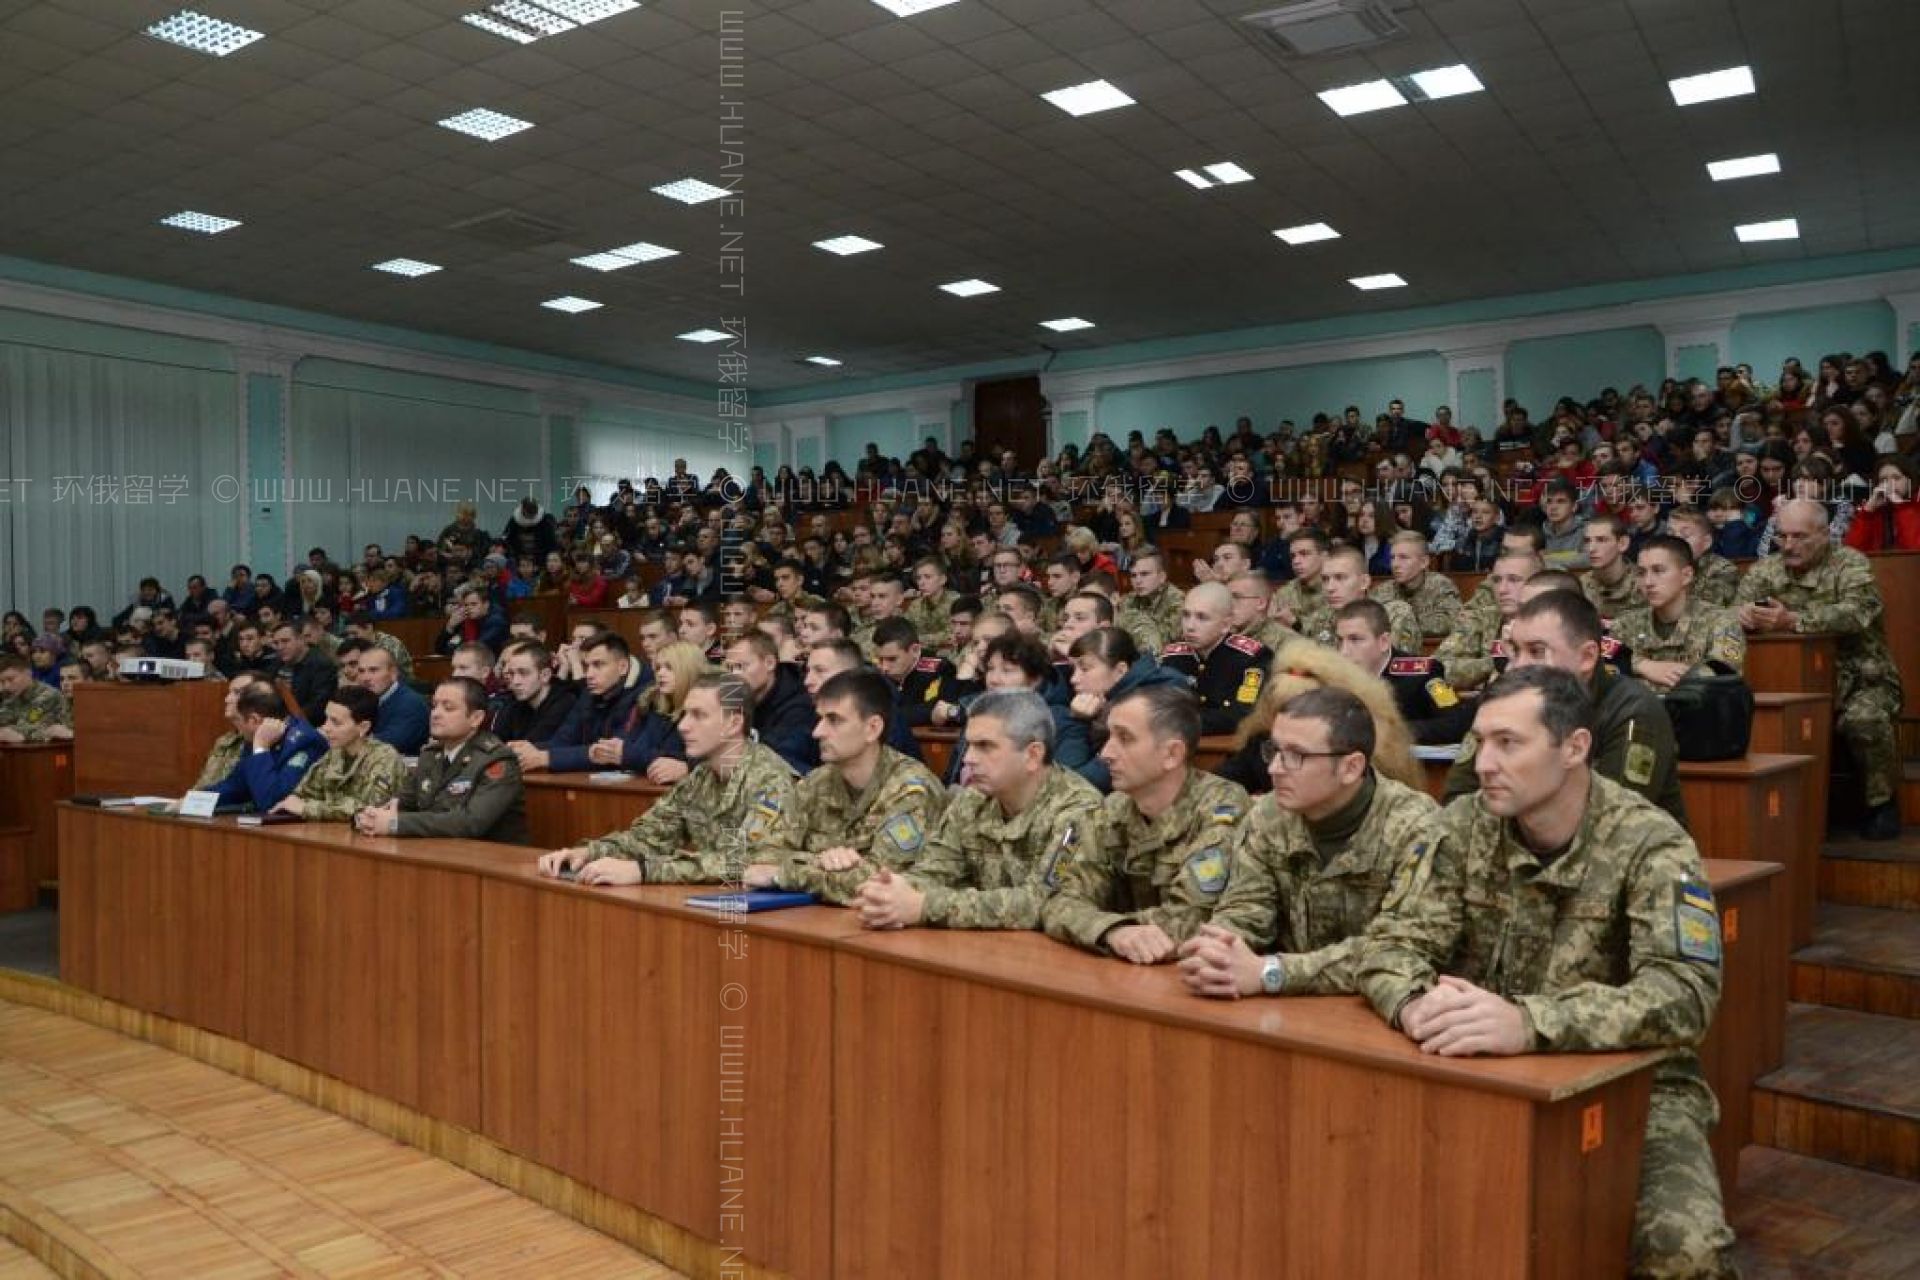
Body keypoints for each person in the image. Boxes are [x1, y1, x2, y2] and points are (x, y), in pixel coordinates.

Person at [1354, 665, 1733, 1279]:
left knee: (1685, 1252)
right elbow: (1389, 945)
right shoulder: (1461, 825)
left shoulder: (1649, 843)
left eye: (1509, 743)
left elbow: (1686, 995)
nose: (1483, 763)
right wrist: (1413, 1003)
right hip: (1478, 1065)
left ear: (1575, 747)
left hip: (1633, 1083)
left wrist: (1532, 1021)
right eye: (1481, 741)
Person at [1177, 686, 1440, 998]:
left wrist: (1273, 973)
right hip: (1289, 1013)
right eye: (1273, 751)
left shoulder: (1417, 827)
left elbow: (1398, 949)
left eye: (1295, 756)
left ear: (1350, 767)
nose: (1274, 769)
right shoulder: (1268, 814)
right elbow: (1246, 907)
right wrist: (1219, 949)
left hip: (1379, 1010)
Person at [851, 687, 1103, 931]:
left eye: (985, 746)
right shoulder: (971, 801)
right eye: (969, 744)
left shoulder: (1078, 810)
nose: (969, 758)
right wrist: (888, 893)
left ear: (1033, 755)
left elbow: (1045, 902)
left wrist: (926, 906)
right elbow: (934, 870)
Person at [1738, 498, 1905, 839]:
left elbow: (1857, 612)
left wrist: (1793, 620)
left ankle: (1881, 803)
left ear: (1825, 534)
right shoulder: (1766, 570)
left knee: (1864, 719)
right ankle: (1798, 810)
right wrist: (1741, 616)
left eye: (1799, 536)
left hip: (1861, 678)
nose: (1788, 545)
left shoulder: (1850, 564)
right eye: (1782, 537)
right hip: (1790, 679)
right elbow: (1732, 610)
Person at [1044, 684, 1249, 960]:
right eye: (1108, 737)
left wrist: (1103, 926)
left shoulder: (1221, 808)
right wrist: (1113, 932)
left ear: (1172, 754)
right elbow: (1055, 899)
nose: (1106, 753)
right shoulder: (1108, 810)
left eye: (1125, 738)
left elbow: (1192, 919)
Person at [1446, 590, 1685, 824]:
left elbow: (1613, 819)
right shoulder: (1507, 703)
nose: (1519, 666)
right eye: (1516, 651)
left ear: (1587, 658)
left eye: (1537, 651)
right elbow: (1456, 799)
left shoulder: (1633, 710)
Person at [536, 673, 797, 885]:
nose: (683, 726)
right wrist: (588, 853)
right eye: (685, 714)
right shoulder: (701, 776)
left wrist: (642, 871)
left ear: (733, 723)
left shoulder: (772, 780)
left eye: (699, 715)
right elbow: (650, 836)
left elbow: (747, 863)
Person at [749, 669, 948, 904]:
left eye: (834, 720)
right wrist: (819, 860)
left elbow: (880, 882)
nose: (817, 732)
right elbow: (761, 854)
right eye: (819, 719)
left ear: (872, 728)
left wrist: (783, 874)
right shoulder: (818, 782)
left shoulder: (911, 789)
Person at [354, 678, 527, 843]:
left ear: (476, 718)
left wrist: (395, 824)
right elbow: (401, 802)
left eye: (448, 708)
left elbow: (471, 822)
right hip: (439, 851)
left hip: (490, 860)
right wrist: (371, 816)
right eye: (434, 706)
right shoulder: (430, 755)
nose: (436, 714)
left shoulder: (496, 759)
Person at [1612, 536, 1746, 690]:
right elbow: (1603, 669)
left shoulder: (1721, 621)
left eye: (1658, 571)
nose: (1648, 582)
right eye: (1641, 573)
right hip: (1638, 713)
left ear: (1686, 576)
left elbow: (1724, 675)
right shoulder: (1624, 624)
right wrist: (1643, 665)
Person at [1332, 601, 1472, 744]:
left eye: (1355, 639)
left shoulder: (1424, 673)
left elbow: (1455, 723)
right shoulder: (1335, 678)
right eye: (1340, 640)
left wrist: (1394, 731)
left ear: (1384, 642)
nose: (1343, 652)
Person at [514, 632, 647, 774]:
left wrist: (546, 757)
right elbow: (562, 741)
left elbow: (609, 754)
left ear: (623, 667)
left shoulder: (644, 697)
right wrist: (529, 749)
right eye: (586, 666)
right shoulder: (589, 693)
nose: (589, 674)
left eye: (598, 665)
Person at [271, 685, 409, 819]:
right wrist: (294, 802)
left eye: (336, 723)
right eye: (326, 719)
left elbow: (367, 808)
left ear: (363, 727)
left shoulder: (385, 758)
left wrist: (308, 808)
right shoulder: (334, 753)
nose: (325, 727)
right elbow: (302, 794)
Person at [1159, 583, 1270, 735]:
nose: (1190, 626)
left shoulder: (1251, 658)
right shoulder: (1173, 656)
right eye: (1186, 615)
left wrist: (1180, 724)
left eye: (1202, 617)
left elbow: (1242, 714)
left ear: (1225, 625)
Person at [207, 681, 327, 811]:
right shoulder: (258, 737)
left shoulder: (305, 741)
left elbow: (272, 801)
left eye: (237, 721)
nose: (238, 731)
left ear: (254, 720)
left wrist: (261, 748)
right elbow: (235, 785)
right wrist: (190, 800)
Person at [724, 630, 817, 773]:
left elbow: (778, 760)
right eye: (730, 668)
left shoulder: (799, 706)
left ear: (770, 663)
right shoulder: (734, 697)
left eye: (741, 666)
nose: (733, 676)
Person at [1317, 546, 1419, 652]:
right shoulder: (1322, 618)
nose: (1330, 587)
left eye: (1340, 578)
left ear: (1364, 582)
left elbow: (1399, 664)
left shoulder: (1394, 614)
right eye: (1325, 579)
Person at [1370, 531, 1462, 638]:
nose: (1395, 564)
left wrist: (1402, 623)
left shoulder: (1442, 585)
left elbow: (1451, 622)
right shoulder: (1382, 590)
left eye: (1403, 557)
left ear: (1424, 562)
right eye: (1392, 558)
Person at [492, 640, 578, 745]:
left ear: (545, 675)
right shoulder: (513, 704)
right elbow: (495, 744)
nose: (515, 681)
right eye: (512, 674)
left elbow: (532, 748)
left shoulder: (566, 704)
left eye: (523, 673)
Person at [194, 671, 265, 788]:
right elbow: (202, 784)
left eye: (236, 693)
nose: (227, 699)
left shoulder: (264, 741)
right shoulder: (225, 740)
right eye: (229, 692)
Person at [355, 646, 430, 755]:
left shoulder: (411, 704)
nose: (366, 678)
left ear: (393, 673)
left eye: (373, 670)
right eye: (361, 671)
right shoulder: (363, 699)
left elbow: (387, 745)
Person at [1665, 508, 1741, 608]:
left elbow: (1707, 610)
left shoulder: (1722, 570)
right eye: (1670, 535)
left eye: (1685, 535)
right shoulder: (1657, 566)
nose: (1675, 541)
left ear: (1706, 542)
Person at [1580, 515, 1645, 621]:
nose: (1591, 548)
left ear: (1622, 544)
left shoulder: (1643, 583)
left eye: (1601, 540)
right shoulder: (1582, 584)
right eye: (1587, 541)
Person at [271, 620, 337, 724]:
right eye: (276, 643)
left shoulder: (322, 665)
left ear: (301, 639)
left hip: (308, 726)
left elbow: (318, 706)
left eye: (285, 641)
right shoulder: (276, 663)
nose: (280, 647)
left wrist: (288, 722)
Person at [0, 655, 73, 742]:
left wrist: (10, 731)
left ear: (28, 673)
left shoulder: (47, 695)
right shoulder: (10, 697)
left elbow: (28, 728)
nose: (6, 686)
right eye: (2, 681)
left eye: (11, 679)